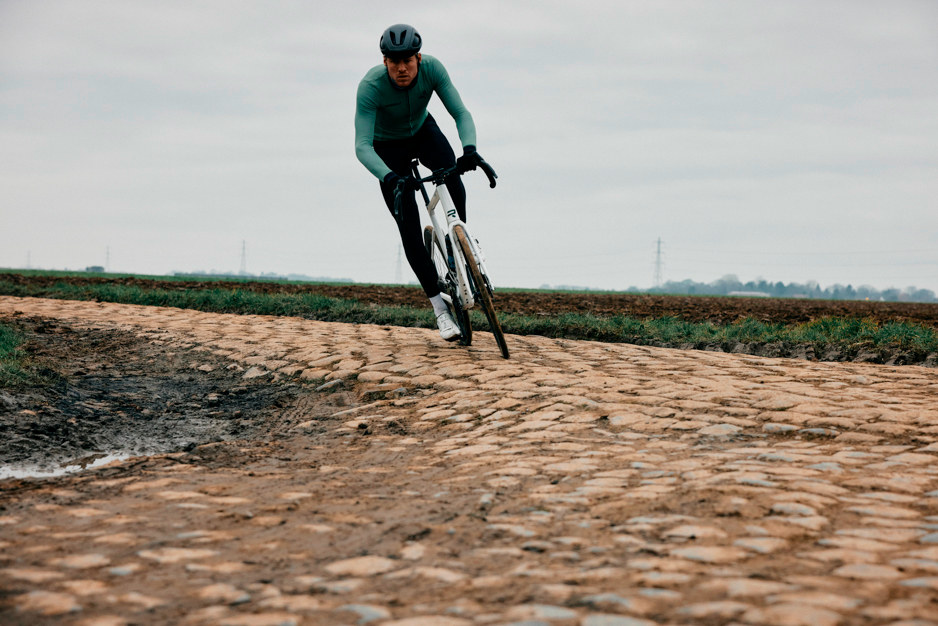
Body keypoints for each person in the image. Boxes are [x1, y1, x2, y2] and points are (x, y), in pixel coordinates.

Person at [354, 23, 488, 341]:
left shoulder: (433, 69)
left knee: (452, 175)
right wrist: (389, 176)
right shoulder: (370, 87)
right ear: (384, 61)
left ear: (418, 58)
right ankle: (440, 311)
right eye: (394, 61)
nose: (402, 68)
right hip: (386, 149)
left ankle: (461, 247)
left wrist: (470, 150)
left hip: (422, 132)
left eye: (408, 61)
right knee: (409, 227)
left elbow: (460, 113)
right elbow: (362, 146)